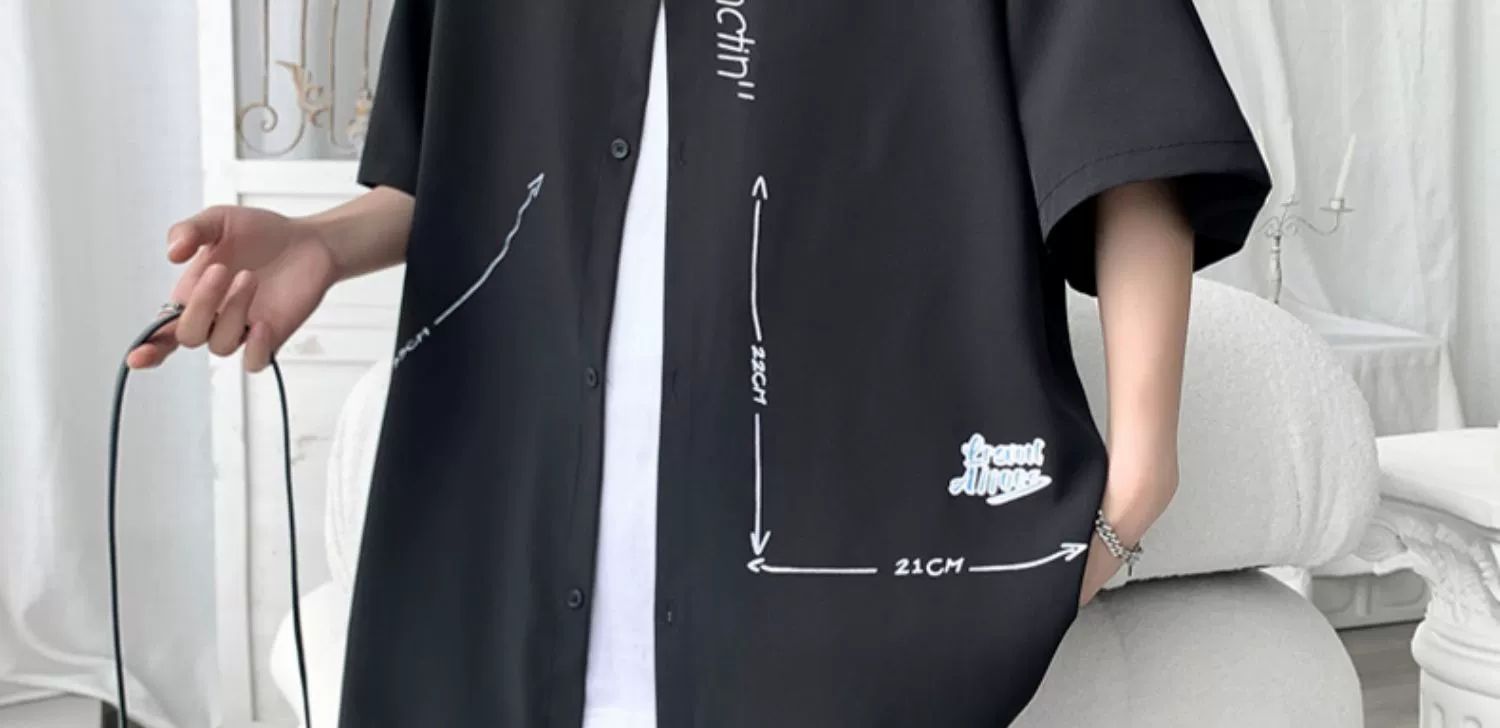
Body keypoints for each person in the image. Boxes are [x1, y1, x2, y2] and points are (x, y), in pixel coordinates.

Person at [129, 1, 1271, 725]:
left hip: (822, 610)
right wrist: (324, 243)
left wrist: (1139, 479)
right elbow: (469, 168)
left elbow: (1132, 140)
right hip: (509, 582)